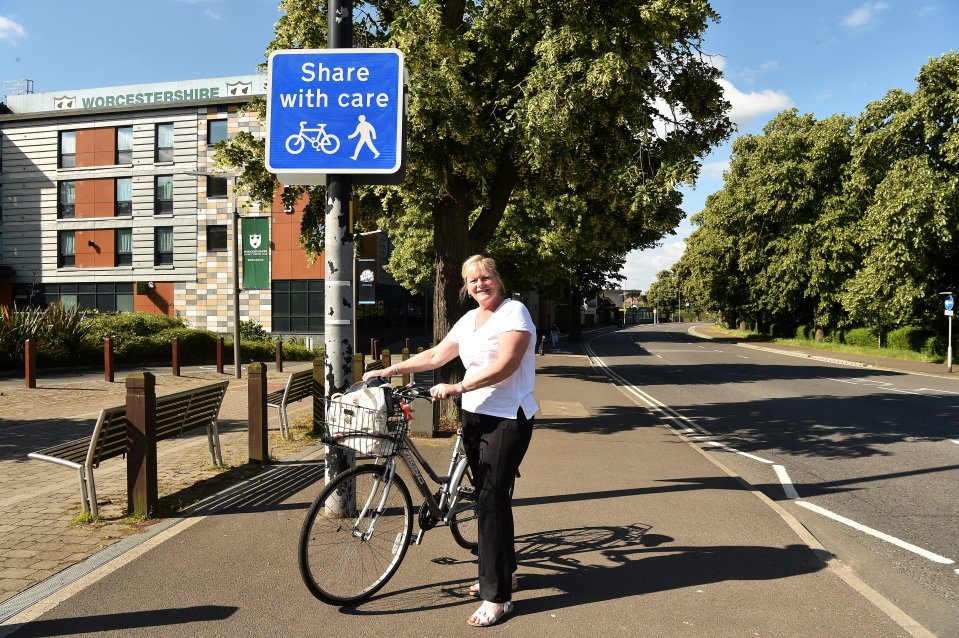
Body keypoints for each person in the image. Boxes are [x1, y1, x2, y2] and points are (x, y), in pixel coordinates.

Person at [363, 255, 536, 627]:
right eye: (472, 281)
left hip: (508, 417)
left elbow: (506, 364)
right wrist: (390, 369)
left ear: (497, 279)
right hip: (475, 414)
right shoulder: (469, 319)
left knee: (490, 500)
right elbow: (438, 354)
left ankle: (498, 597)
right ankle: (505, 572)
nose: (479, 285)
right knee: (490, 499)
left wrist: (458, 386)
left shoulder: (514, 312)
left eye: (485, 277)